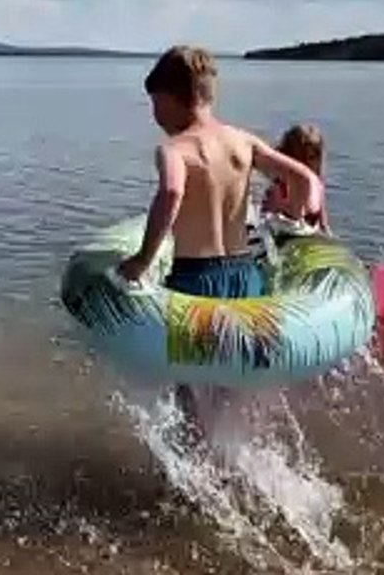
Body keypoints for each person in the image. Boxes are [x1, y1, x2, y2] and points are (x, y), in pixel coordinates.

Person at [117, 45, 323, 439]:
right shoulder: (241, 141)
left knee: (187, 391)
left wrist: (142, 261)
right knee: (231, 390)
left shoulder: (174, 149)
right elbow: (304, 179)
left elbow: (172, 194)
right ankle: (232, 459)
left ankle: (195, 469)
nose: (154, 116)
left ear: (173, 98)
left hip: (196, 285)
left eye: (155, 104)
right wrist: (297, 217)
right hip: (246, 280)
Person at [262, 123, 331, 235]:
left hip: (304, 224)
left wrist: (325, 226)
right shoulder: (282, 179)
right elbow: (271, 208)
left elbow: (321, 203)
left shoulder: (316, 178)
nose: (309, 163)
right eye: (304, 157)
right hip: (281, 222)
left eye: (314, 157)